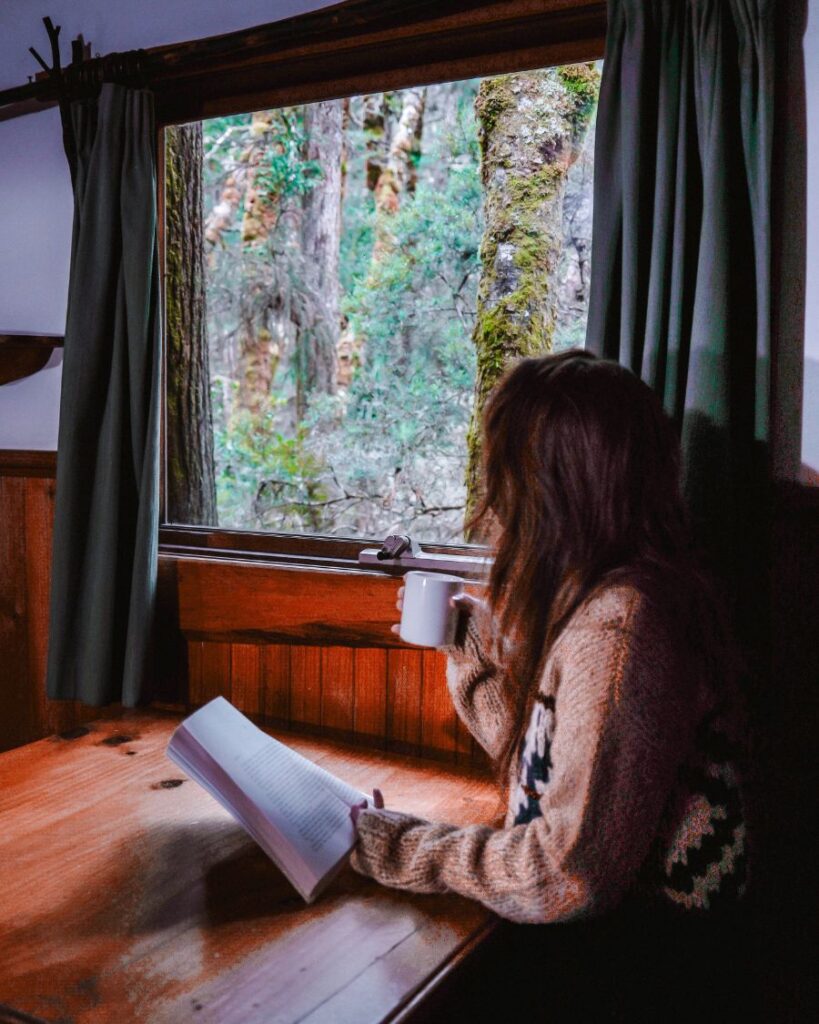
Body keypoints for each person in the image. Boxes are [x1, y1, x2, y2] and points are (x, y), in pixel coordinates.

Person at [349, 351, 752, 1020]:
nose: (492, 499)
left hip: (641, 972)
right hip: (616, 952)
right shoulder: (617, 597)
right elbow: (560, 778)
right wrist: (472, 649)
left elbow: (564, 874)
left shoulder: (623, 628)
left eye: (505, 471)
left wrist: (392, 847)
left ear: (550, 486)